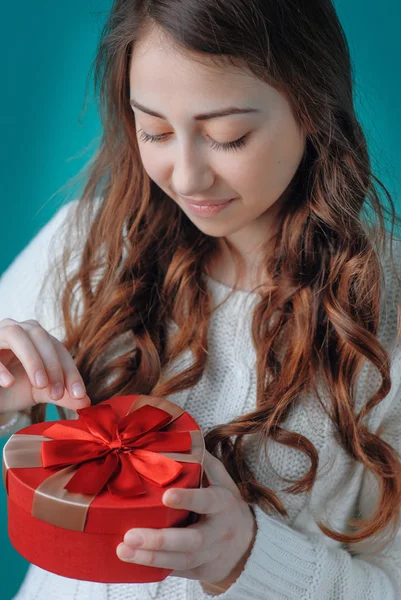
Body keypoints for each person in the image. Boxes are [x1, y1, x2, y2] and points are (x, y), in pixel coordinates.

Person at [1, 0, 401, 598]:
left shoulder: (386, 303)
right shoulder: (87, 240)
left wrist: (249, 555)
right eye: (154, 130)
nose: (185, 177)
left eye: (227, 137)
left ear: (313, 107)